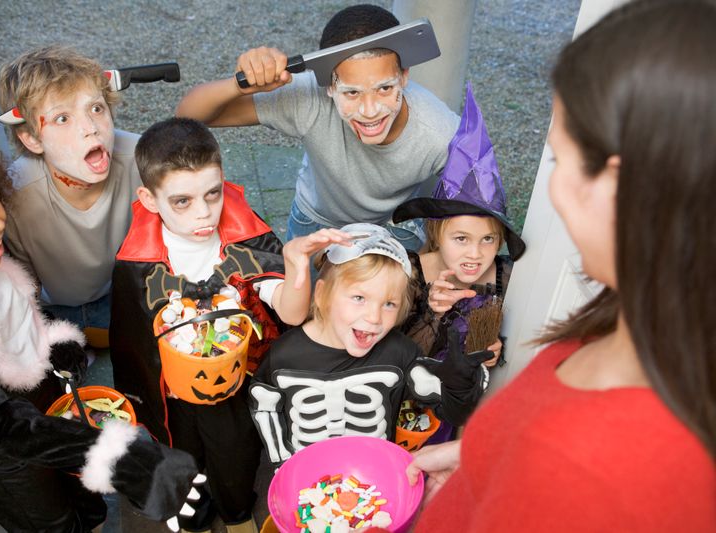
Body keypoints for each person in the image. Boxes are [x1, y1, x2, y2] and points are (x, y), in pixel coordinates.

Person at [384, 1, 716, 531]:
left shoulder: (592, 466)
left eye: (559, 158)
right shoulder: (624, 322)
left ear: (614, 184)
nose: (554, 191)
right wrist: (482, 458)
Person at [0, 108, 205, 533]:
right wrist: (122, 459)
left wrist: (59, 341)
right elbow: (0, 424)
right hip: (13, 457)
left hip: (51, 404)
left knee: (86, 502)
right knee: (57, 522)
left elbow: (22, 312)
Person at [109, 117, 351, 533]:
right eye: (182, 201)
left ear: (223, 182)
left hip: (236, 383)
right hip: (174, 392)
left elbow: (291, 314)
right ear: (149, 199)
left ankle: (238, 514)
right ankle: (196, 519)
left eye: (213, 194)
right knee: (181, 456)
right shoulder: (137, 264)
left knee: (236, 455)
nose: (203, 212)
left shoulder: (245, 240)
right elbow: (131, 340)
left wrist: (295, 266)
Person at [175, 4, 460, 251]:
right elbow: (188, 115)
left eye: (384, 88)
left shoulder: (439, 132)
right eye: (351, 93)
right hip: (317, 219)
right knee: (302, 307)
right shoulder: (306, 99)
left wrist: (432, 253)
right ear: (329, 86)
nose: (370, 110)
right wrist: (241, 84)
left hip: (395, 223)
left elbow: (477, 210)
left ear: (404, 76)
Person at [248, 223, 493, 467]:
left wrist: (459, 386)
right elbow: (265, 406)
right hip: (304, 481)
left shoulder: (399, 353)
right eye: (359, 298)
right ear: (322, 295)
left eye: (389, 304)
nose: (374, 317)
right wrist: (282, 464)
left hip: (376, 480)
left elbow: (454, 412)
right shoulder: (285, 355)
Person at [394, 83, 526, 443]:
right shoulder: (414, 270)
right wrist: (433, 313)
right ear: (437, 235)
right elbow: (400, 354)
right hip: (415, 396)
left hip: (469, 405)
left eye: (488, 239)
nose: (475, 253)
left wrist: (493, 353)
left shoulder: (506, 275)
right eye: (461, 239)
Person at [0, 45, 142, 347]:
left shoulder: (142, 160)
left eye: (96, 108)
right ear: (32, 139)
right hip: (54, 309)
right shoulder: (14, 195)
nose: (91, 129)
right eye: (62, 118)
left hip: (126, 292)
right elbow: (22, 282)